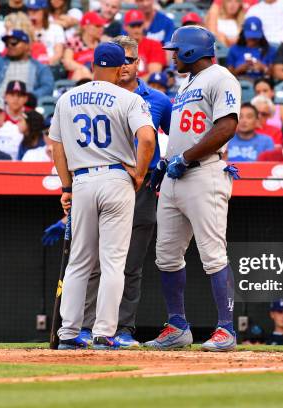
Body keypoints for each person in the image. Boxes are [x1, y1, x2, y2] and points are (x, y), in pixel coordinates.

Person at [51, 42, 156, 350]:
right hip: (116, 177)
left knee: (80, 261)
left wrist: (66, 187)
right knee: (113, 261)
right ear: (118, 67)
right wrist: (139, 173)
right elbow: (147, 138)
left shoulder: (67, 98)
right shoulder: (128, 97)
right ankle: (104, 332)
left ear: (94, 64)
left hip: (82, 179)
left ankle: (68, 332)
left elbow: (56, 146)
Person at [70, 36, 172, 348]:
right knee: (92, 262)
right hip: (98, 180)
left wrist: (156, 171)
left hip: (139, 187)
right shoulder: (88, 98)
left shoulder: (158, 101)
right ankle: (87, 327)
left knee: (130, 264)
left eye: (131, 59)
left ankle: (122, 329)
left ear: (138, 63)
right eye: (120, 59)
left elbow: (174, 138)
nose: (125, 65)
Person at [144, 26, 241, 352]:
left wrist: (184, 157)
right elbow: (185, 131)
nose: (172, 56)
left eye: (176, 50)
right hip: (175, 176)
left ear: (189, 51)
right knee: (167, 256)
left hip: (204, 173)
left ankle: (226, 329)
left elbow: (227, 125)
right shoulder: (186, 85)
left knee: (213, 254)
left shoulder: (220, 77)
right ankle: (178, 325)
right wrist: (168, 159)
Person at [0, 29, 55, 99]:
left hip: (27, 106)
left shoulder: (40, 67)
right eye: (7, 44)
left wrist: (27, 98)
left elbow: (48, 87)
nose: (10, 46)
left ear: (26, 45)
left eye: (14, 43)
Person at [123, 10, 166, 80]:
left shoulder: (155, 45)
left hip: (145, 89)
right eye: (133, 26)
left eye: (139, 25)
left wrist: (132, 86)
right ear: (125, 27)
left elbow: (153, 75)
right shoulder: (118, 47)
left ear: (144, 25)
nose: (136, 30)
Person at [62, 12, 106, 81]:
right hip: (77, 77)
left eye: (102, 26)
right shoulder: (74, 42)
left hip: (96, 77)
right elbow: (67, 62)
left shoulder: (102, 45)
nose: (101, 29)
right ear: (86, 26)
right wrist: (83, 68)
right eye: (97, 26)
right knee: (79, 72)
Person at [26, 0, 65, 66]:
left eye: (36, 10)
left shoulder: (56, 28)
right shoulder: (24, 29)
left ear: (44, 11)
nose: (32, 13)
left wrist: (45, 65)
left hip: (50, 65)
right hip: (29, 66)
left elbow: (58, 53)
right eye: (30, 10)